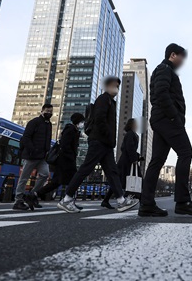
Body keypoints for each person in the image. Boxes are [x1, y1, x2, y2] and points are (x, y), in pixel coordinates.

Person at [139, 44, 192, 217]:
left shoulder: (165, 70)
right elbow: (161, 93)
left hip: (161, 120)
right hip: (167, 120)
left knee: (157, 160)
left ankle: (146, 204)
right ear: (172, 55)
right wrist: (174, 116)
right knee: (185, 152)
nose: (183, 60)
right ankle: (182, 202)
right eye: (181, 56)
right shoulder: (164, 69)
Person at [57, 77, 138, 213]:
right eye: (113, 85)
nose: (116, 88)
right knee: (86, 168)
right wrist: (108, 136)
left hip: (105, 144)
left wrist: (110, 140)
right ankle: (66, 199)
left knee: (112, 172)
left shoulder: (111, 102)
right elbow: (100, 119)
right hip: (99, 141)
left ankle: (121, 201)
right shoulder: (103, 99)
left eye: (117, 86)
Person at [35, 113, 84, 202]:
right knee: (74, 180)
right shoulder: (70, 130)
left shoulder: (74, 130)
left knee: (56, 182)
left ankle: (35, 195)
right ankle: (67, 201)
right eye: (81, 121)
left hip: (65, 160)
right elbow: (65, 146)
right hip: (66, 161)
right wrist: (71, 157)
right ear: (77, 121)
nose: (82, 124)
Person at [14, 104, 54, 210]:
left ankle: (32, 195)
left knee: (45, 175)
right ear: (42, 111)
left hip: (42, 157)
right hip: (31, 156)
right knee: (24, 178)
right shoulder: (34, 122)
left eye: (51, 111)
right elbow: (26, 137)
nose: (49, 113)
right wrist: (33, 149)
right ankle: (18, 200)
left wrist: (47, 151)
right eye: (47, 111)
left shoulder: (49, 124)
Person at [102, 118, 141, 208]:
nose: (137, 125)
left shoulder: (132, 134)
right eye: (135, 124)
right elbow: (128, 147)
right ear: (131, 125)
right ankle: (141, 202)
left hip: (126, 160)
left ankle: (106, 200)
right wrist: (134, 159)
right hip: (127, 161)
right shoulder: (130, 134)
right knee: (137, 179)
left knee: (118, 181)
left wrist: (137, 156)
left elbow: (129, 148)